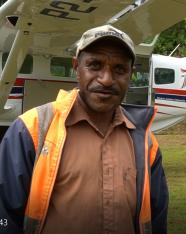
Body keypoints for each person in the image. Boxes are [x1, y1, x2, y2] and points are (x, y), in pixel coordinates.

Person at [0, 25, 168, 234]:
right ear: (76, 68)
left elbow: (157, 220)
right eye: (95, 65)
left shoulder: (146, 143)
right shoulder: (31, 130)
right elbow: (5, 219)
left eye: (119, 69)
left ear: (131, 75)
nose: (106, 79)